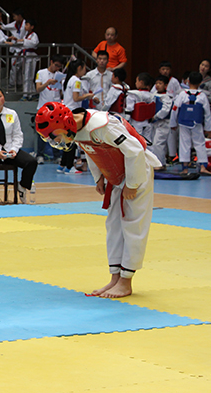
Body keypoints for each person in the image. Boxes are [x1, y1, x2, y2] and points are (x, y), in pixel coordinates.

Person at [36, 102, 160, 298]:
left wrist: (132, 184)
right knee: (113, 225)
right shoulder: (75, 129)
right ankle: (115, 278)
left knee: (133, 224)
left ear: (65, 123)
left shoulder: (104, 126)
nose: (58, 141)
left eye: (56, 136)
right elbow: (91, 151)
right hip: (115, 173)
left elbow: (135, 151)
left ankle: (126, 282)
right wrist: (100, 177)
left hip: (137, 170)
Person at [170, 71, 211, 174]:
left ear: (188, 81)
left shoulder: (182, 94)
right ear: (200, 82)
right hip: (197, 123)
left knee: (184, 144)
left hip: (183, 122)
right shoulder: (202, 96)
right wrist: (208, 127)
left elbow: (175, 109)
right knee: (200, 144)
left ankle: (185, 168)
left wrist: (173, 123)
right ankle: (202, 167)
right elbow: (207, 113)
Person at [57, 58, 93, 174]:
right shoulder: (77, 81)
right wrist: (87, 95)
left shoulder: (66, 80)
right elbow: (76, 98)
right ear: (79, 68)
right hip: (73, 113)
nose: (85, 71)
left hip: (65, 112)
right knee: (72, 140)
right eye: (84, 68)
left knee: (67, 139)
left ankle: (62, 164)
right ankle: (69, 166)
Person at [34, 54, 66, 164]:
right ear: (51, 62)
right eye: (56, 65)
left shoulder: (60, 75)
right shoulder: (41, 73)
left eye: (59, 67)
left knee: (56, 133)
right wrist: (48, 82)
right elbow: (38, 88)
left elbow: (62, 93)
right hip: (43, 107)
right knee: (41, 133)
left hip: (56, 108)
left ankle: (57, 155)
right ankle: (40, 154)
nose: (57, 68)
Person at [125, 73, 156, 141]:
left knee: (136, 141)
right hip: (148, 123)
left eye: (136, 81)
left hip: (136, 123)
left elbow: (129, 109)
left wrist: (126, 122)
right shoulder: (152, 96)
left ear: (141, 82)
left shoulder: (133, 94)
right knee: (148, 142)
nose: (136, 83)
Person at [150, 76, 173, 168]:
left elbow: (165, 110)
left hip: (163, 122)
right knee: (153, 143)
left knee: (158, 143)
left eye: (160, 83)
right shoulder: (153, 94)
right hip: (154, 122)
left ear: (166, 85)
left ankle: (159, 164)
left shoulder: (167, 97)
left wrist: (156, 116)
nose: (158, 85)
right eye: (157, 83)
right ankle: (160, 162)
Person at [4, 8, 25, 89]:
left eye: (15, 16)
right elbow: (6, 27)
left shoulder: (25, 25)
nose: (14, 18)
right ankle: (14, 83)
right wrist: (1, 26)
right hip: (17, 49)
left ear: (19, 16)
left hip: (22, 48)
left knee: (20, 69)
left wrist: (16, 42)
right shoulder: (16, 24)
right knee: (15, 67)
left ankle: (17, 83)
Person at [21, 18, 39, 100]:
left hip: (31, 56)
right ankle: (32, 92)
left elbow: (34, 43)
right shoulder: (26, 35)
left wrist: (23, 41)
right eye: (25, 24)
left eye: (27, 25)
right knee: (26, 75)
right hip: (26, 55)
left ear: (32, 27)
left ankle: (27, 94)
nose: (25, 26)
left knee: (29, 76)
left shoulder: (34, 35)